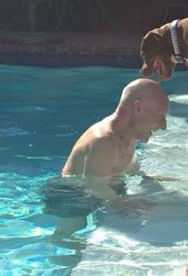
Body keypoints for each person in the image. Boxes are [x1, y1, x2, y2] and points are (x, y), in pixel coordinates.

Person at [41, 78, 169, 240]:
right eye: (160, 115)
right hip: (70, 195)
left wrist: (144, 177)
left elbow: (127, 165)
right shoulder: (103, 141)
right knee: (69, 233)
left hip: (101, 187)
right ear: (138, 108)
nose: (163, 126)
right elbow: (93, 186)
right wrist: (121, 202)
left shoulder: (132, 133)